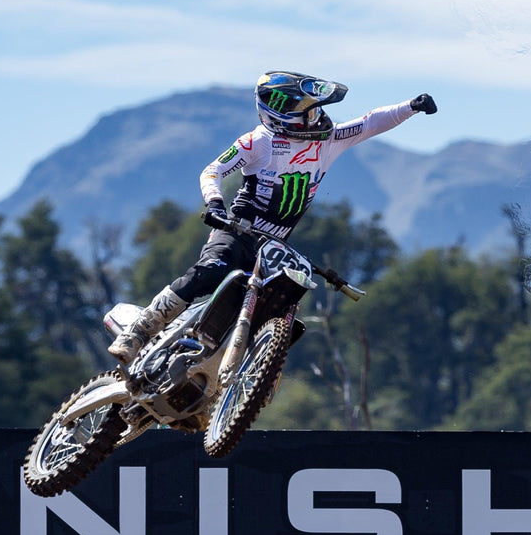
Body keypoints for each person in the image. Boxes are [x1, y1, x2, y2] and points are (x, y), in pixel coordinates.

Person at [108, 70, 437, 363]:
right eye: (307, 113)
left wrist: (411, 106)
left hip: (275, 245)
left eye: (316, 110)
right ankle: (139, 330)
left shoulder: (330, 139)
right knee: (211, 270)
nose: (316, 118)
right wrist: (215, 204)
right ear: (281, 118)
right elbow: (212, 171)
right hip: (237, 230)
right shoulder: (258, 142)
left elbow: (369, 123)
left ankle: (238, 382)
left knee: (281, 311)